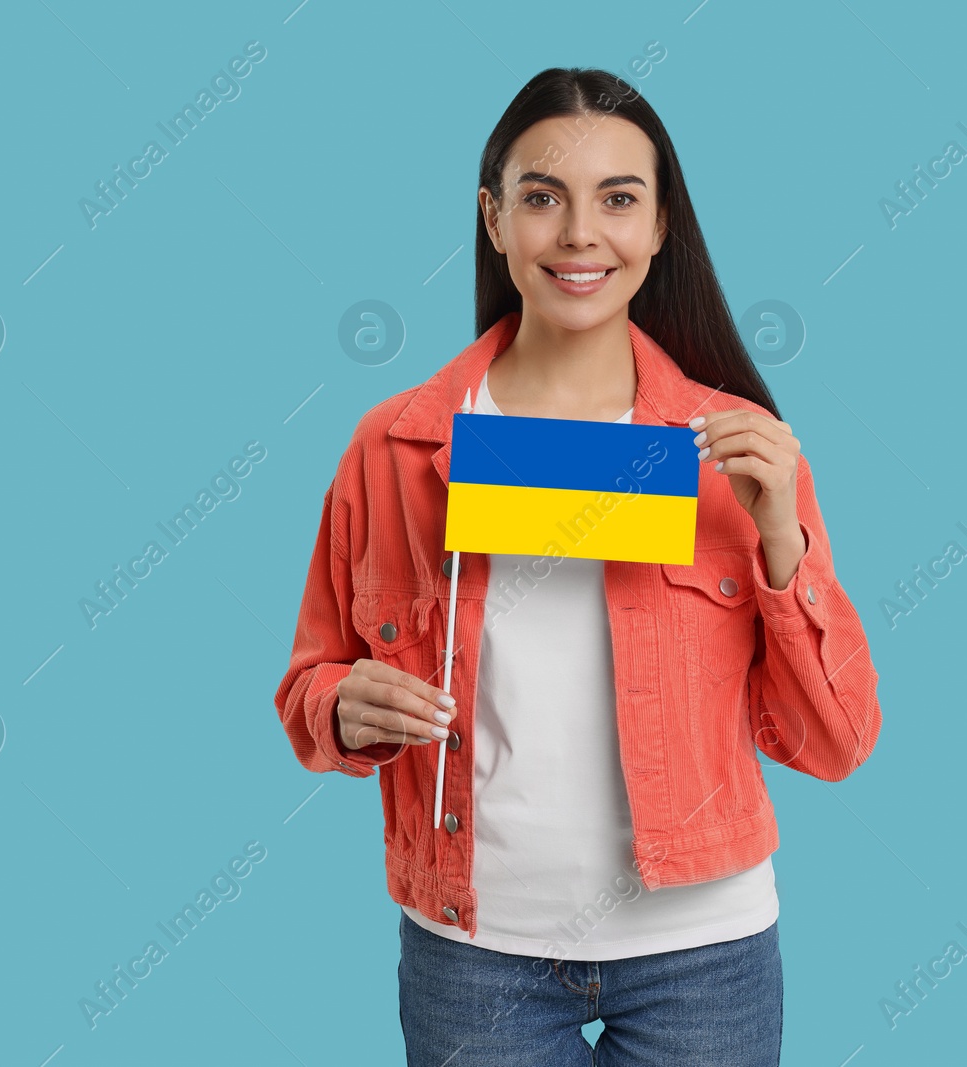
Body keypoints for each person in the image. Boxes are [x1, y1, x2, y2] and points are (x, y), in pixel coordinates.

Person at [273, 66, 882, 1067]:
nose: (578, 234)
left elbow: (835, 740)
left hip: (702, 947)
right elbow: (309, 681)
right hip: (476, 949)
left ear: (659, 228)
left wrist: (782, 538)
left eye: (617, 199)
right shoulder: (393, 449)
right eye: (542, 197)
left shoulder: (738, 453)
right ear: (495, 219)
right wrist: (340, 708)